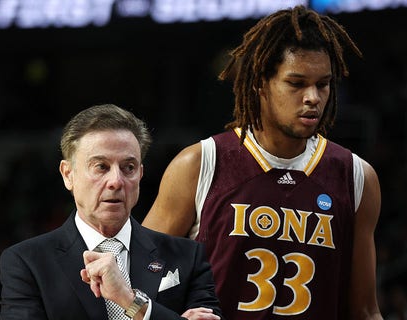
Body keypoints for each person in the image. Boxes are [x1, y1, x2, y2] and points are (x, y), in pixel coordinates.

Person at [142, 5, 382, 320]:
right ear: (260, 84)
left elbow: (364, 311)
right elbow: (138, 283)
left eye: (323, 84)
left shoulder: (356, 176)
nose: (313, 97)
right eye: (296, 84)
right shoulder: (200, 164)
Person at [0, 104, 223, 320]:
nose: (116, 181)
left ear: (141, 175)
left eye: (128, 168)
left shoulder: (187, 256)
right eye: (101, 167)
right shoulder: (28, 262)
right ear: (68, 174)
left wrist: (129, 301)